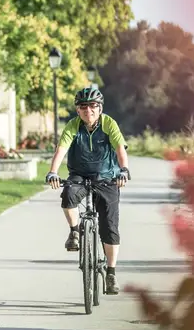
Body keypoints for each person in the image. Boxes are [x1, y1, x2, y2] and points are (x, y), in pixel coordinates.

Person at [45, 86, 130, 295]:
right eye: (83, 107)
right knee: (68, 195)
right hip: (79, 175)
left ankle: (110, 273)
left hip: (107, 177)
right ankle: (75, 231)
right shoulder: (73, 126)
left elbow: (119, 148)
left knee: (109, 227)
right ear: (77, 110)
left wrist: (124, 170)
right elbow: (61, 150)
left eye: (93, 106)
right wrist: (53, 172)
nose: (88, 110)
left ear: (99, 108)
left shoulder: (109, 123)